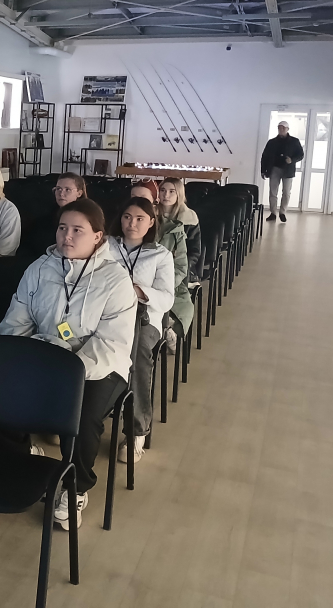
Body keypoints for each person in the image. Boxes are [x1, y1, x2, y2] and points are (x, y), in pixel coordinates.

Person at [0, 199, 137, 530]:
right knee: (0, 397)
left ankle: (76, 485)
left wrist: (67, 371)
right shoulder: (40, 268)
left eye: (77, 230)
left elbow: (111, 343)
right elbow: (16, 321)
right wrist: (29, 357)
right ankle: (26, 459)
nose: (67, 236)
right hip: (45, 355)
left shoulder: (115, 280)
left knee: (82, 418)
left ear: (98, 237)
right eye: (62, 228)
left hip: (99, 367)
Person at [104, 197, 174, 465]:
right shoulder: (106, 245)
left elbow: (166, 299)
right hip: (107, 314)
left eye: (139, 219)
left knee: (139, 351)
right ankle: (82, 413)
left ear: (151, 223)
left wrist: (137, 290)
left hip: (145, 319)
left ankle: (136, 431)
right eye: (127, 217)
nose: (131, 223)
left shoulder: (161, 255)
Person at [131, 180, 194, 343]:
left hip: (166, 286)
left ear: (155, 201)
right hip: (130, 289)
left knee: (141, 337)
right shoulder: (122, 228)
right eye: (133, 197)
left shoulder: (173, 230)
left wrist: (157, 287)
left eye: (143, 198)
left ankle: (166, 329)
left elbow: (180, 267)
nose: (137, 202)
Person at [159, 178, 202, 287]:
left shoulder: (189, 217)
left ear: (179, 194)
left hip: (180, 266)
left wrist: (178, 265)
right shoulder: (150, 214)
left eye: (171, 191)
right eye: (162, 190)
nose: (166, 195)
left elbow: (194, 251)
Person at [260, 120, 304, 222]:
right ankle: (273, 213)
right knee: (273, 192)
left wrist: (292, 160)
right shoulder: (272, 142)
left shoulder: (294, 141)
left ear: (287, 129)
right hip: (274, 169)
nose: (281, 129)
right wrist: (263, 170)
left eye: (283, 128)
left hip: (288, 170)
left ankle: (282, 212)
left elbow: (300, 155)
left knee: (286, 192)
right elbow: (264, 156)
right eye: (279, 127)